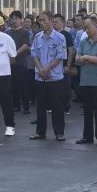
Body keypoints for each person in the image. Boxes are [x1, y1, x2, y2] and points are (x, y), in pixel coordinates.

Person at [29, 11, 69, 141]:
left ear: (51, 20)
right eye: (40, 20)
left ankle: (59, 132)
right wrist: (41, 69)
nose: (42, 23)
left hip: (55, 77)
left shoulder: (60, 37)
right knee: (40, 106)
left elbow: (60, 56)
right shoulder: (37, 37)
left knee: (57, 106)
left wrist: (47, 69)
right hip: (40, 76)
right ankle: (40, 132)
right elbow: (34, 54)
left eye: (44, 20)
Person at [75, 15, 97, 145]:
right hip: (85, 80)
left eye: (88, 27)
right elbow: (77, 59)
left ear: (96, 26)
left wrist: (86, 58)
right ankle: (87, 136)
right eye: (84, 28)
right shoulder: (83, 41)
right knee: (87, 110)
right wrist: (90, 59)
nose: (86, 30)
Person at [7, 11, 33, 114]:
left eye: (16, 18)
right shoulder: (7, 33)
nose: (14, 21)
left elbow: (25, 46)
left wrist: (14, 54)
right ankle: (16, 106)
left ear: (21, 20)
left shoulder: (24, 32)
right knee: (12, 86)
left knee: (23, 86)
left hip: (21, 63)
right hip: (9, 63)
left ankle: (26, 107)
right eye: (12, 18)